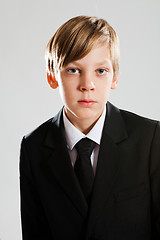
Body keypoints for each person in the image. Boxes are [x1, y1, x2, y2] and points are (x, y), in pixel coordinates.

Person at [19, 15, 160, 240]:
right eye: (74, 70)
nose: (87, 85)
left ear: (115, 77)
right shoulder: (33, 147)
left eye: (101, 71)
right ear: (52, 75)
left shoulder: (150, 138)